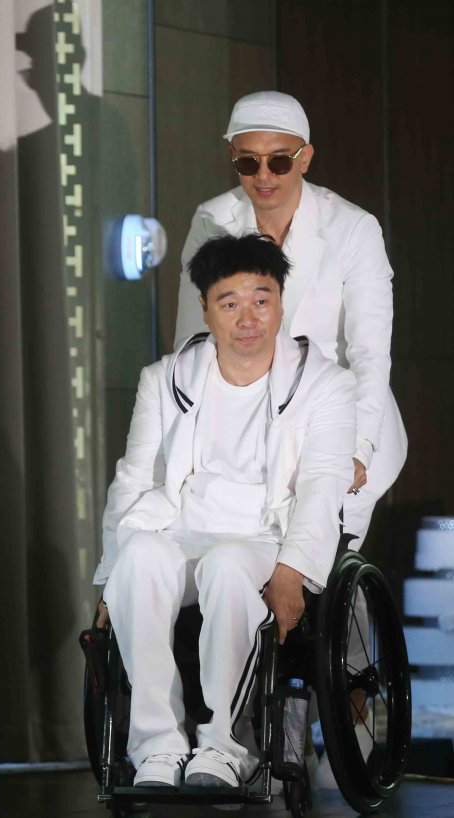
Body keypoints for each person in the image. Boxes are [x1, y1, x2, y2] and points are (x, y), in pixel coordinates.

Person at [93, 234, 356, 788]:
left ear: (280, 302)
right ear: (206, 309)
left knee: (230, 565)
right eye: (229, 302)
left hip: (264, 535)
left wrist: (292, 570)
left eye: (261, 299)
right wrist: (110, 579)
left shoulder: (325, 384)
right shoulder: (165, 379)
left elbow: (321, 484)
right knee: (138, 558)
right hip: (183, 528)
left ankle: (223, 746)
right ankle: (158, 748)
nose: (248, 318)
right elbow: (135, 479)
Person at [175, 91, 407, 550]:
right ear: (232, 157)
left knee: (318, 565)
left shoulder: (352, 228)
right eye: (248, 162)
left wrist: (357, 448)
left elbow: (369, 352)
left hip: (340, 419)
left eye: (279, 162)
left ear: (305, 158)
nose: (264, 175)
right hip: (246, 431)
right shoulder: (212, 220)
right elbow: (193, 343)